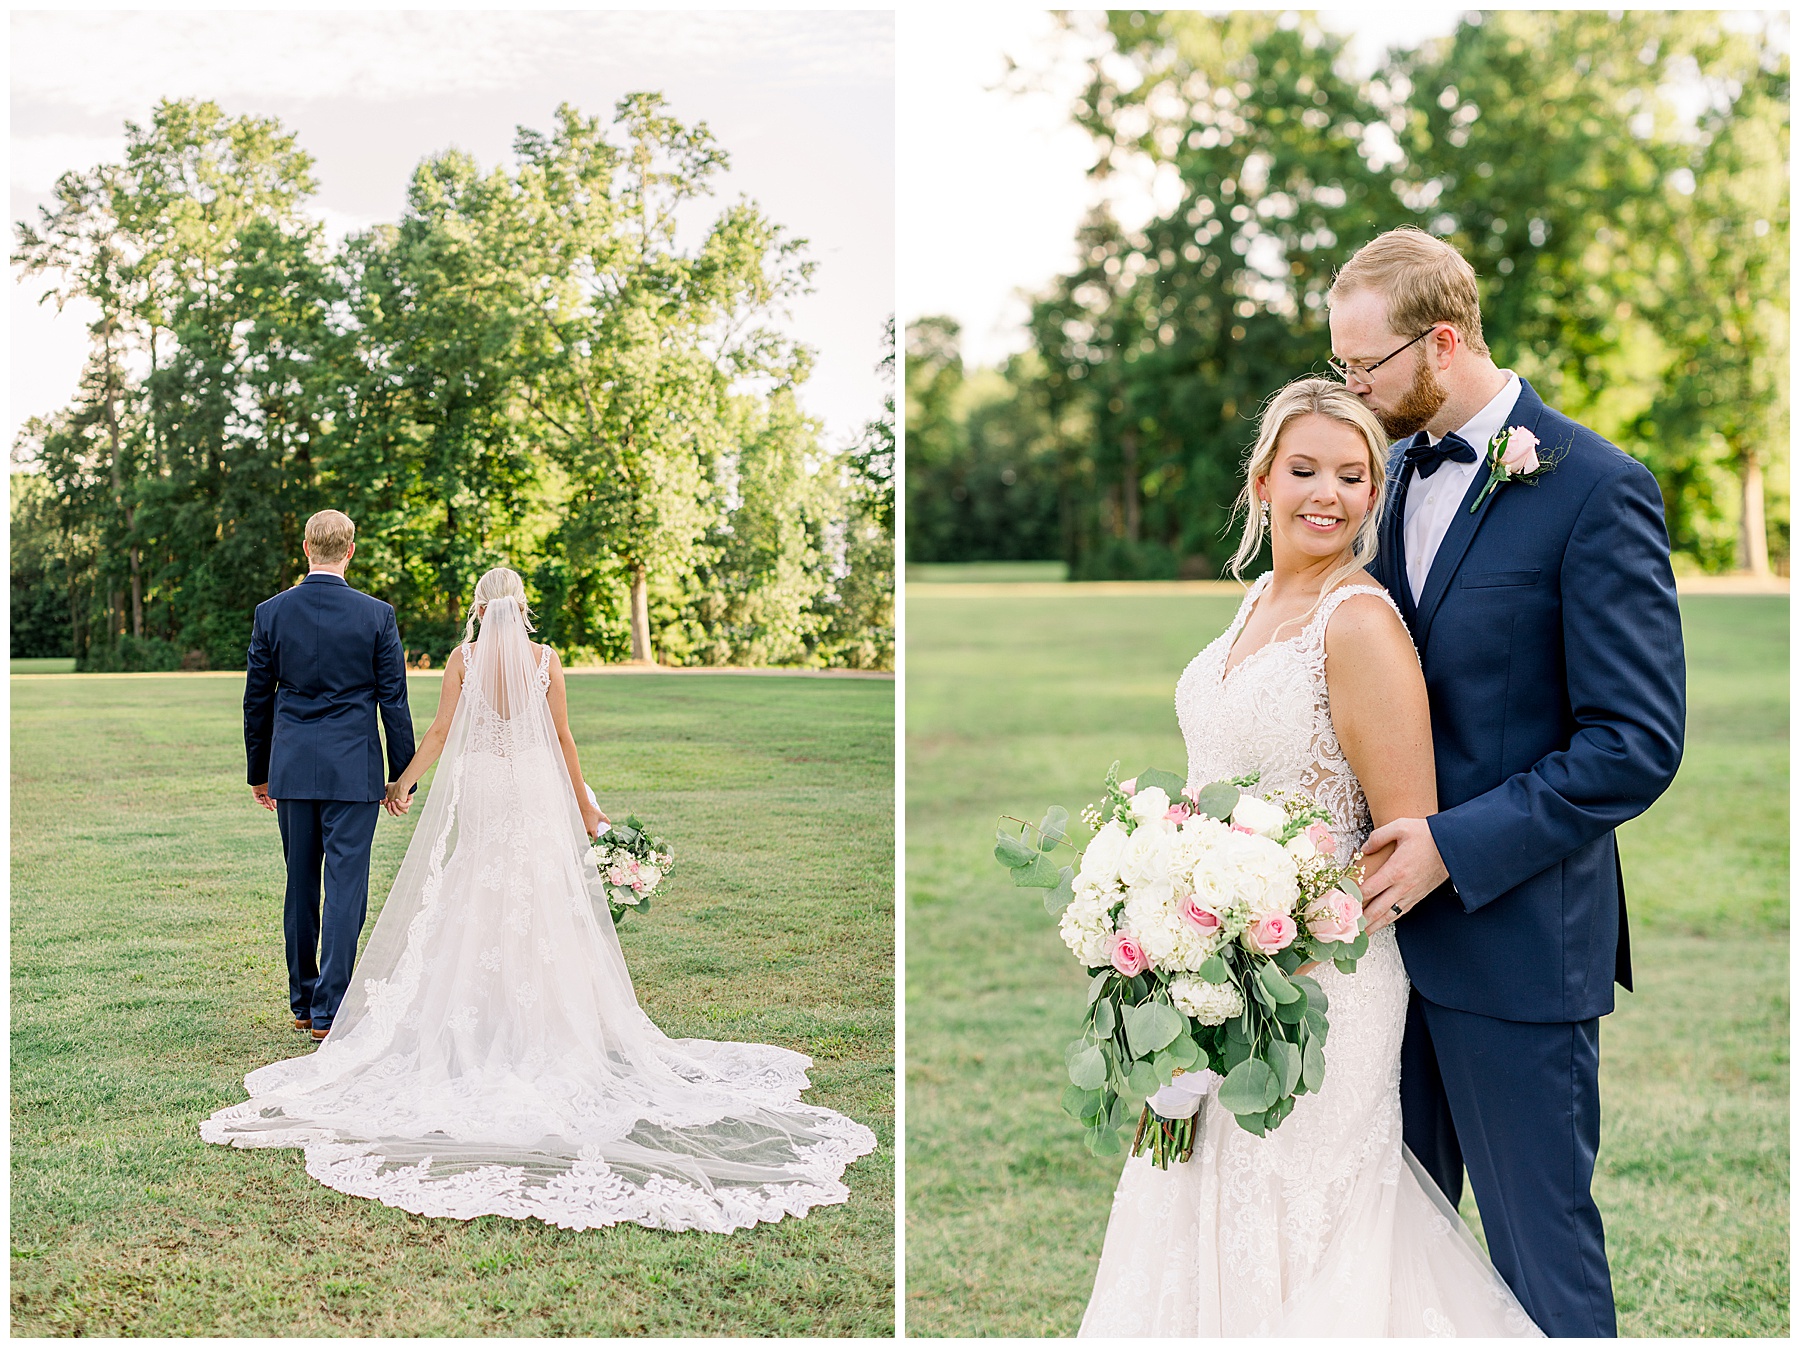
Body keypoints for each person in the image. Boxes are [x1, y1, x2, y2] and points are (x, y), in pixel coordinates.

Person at [205, 567, 877, 1233]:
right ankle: (547, 1020)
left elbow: (439, 735)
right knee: (538, 890)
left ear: (477, 607)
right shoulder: (546, 660)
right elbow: (562, 739)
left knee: (477, 883)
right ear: (521, 607)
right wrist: (587, 808)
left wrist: (401, 784)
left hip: (486, 787)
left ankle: (475, 1017)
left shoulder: (462, 659)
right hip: (531, 786)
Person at [1079, 379, 1538, 1336]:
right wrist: (1174, 932)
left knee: (1308, 1223)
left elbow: (1403, 842)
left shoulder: (1359, 621)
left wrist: (1257, 936)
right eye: (1304, 470)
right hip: (1212, 970)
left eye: (1352, 474)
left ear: (1374, 496)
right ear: (1261, 481)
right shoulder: (1256, 601)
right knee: (1199, 1199)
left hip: (1323, 985)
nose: (1325, 492)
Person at [1333, 228, 1685, 1338]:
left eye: (1365, 366)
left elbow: (1634, 739)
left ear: (1443, 340)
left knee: (1543, 1262)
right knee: (1377, 1251)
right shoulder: (1379, 479)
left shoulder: (1597, 489)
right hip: (1377, 955)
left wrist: (1454, 842)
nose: (1353, 388)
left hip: (1521, 945)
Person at [243, 509, 415, 1043]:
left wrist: (259, 771)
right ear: (351, 550)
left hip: (292, 767)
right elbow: (394, 702)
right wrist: (401, 776)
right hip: (354, 771)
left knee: (301, 882)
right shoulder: (376, 615)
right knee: (346, 887)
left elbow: (257, 700)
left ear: (305, 548)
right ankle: (330, 1009)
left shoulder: (272, 612)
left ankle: (303, 1000)